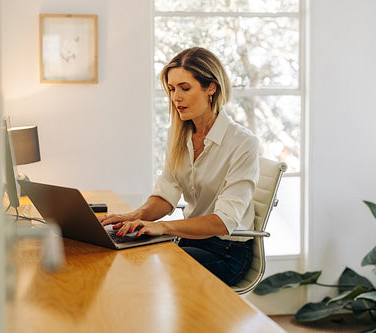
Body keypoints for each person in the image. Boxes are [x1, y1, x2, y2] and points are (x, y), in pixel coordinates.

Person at [100, 47, 259, 286]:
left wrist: (162, 227)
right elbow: (166, 195)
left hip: (226, 253)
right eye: (172, 89)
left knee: (148, 269)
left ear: (211, 88)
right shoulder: (178, 137)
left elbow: (223, 221)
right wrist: (133, 216)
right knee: (125, 254)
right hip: (187, 241)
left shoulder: (243, 143)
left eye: (185, 88)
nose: (176, 98)